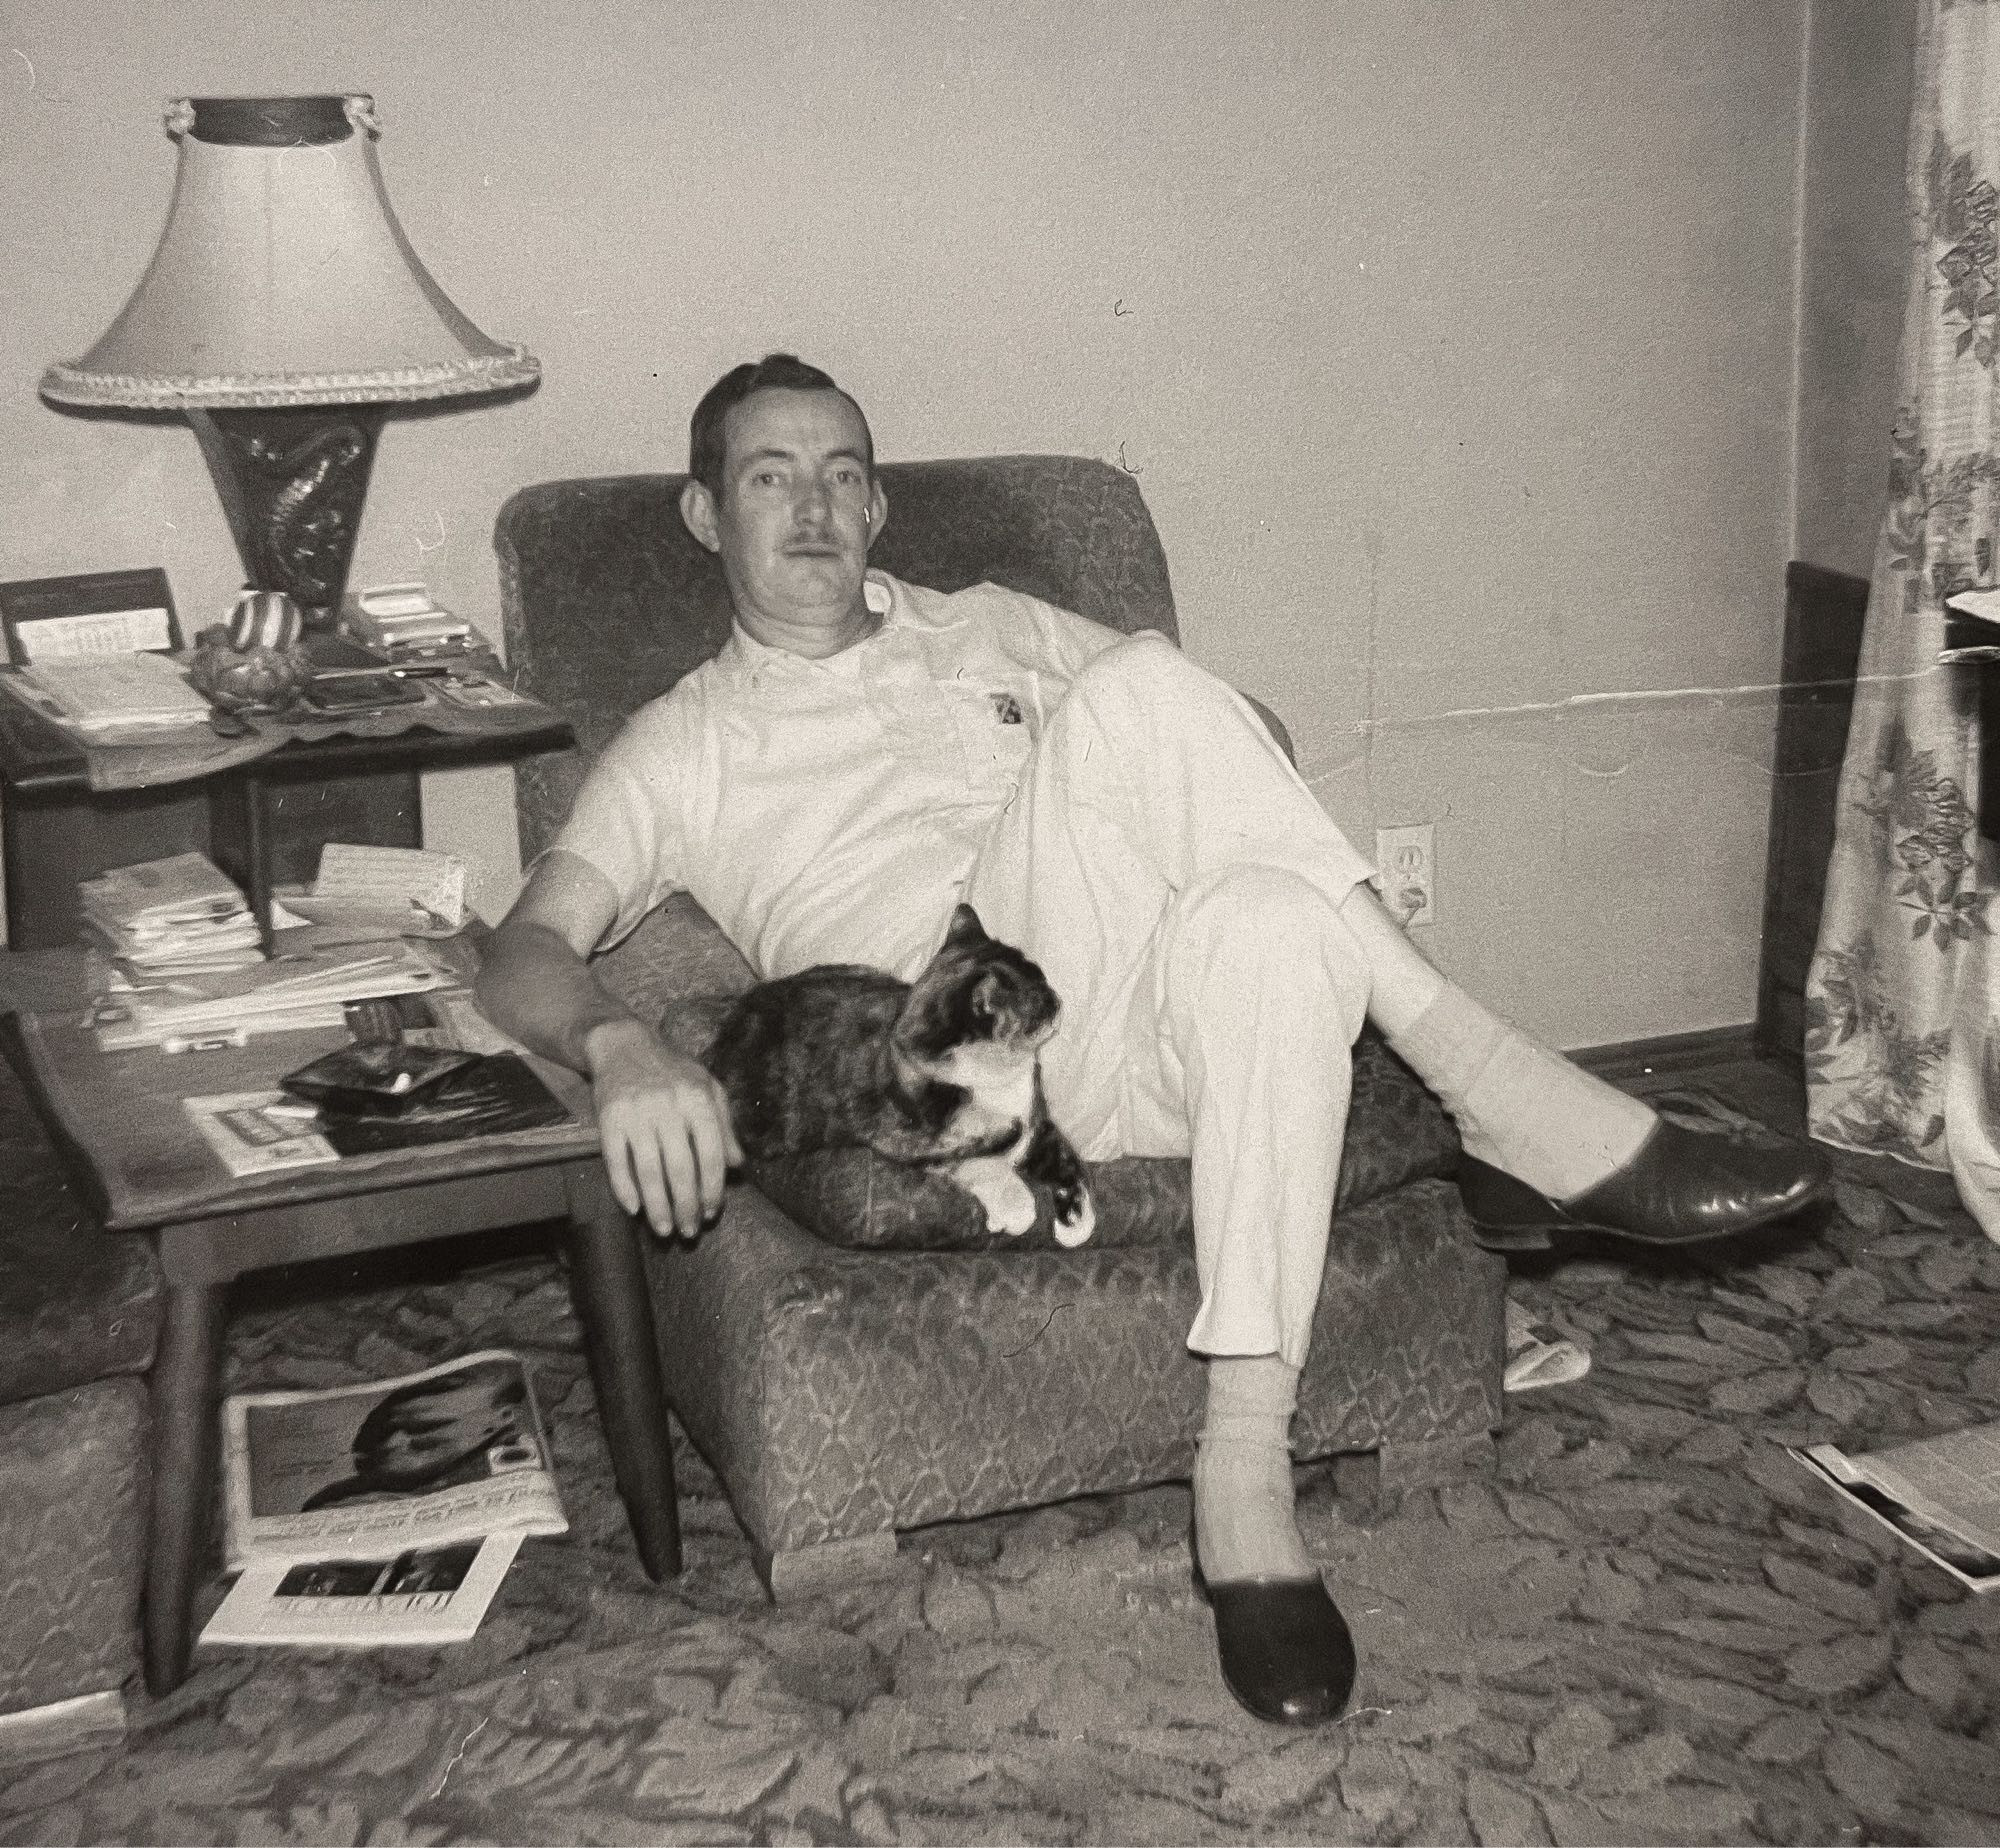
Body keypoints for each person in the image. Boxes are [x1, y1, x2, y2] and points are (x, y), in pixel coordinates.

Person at [476, 353, 1828, 1726]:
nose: (814, 508)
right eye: (771, 478)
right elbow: (522, 953)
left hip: (1121, 1041)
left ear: (880, 506)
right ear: (709, 514)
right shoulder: (683, 743)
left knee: (1266, 914)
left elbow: (1237, 736)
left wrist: (1194, 790)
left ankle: (1242, 1471)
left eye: (842, 476)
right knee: (1135, 690)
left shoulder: (988, 624)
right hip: (951, 1070)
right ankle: (1496, 1092)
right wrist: (621, 1049)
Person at [301, 1363, 535, 1511]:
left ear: (501, 1419)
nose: (391, 1444)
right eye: (385, 1429)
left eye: (421, 1431)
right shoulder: (340, 1499)